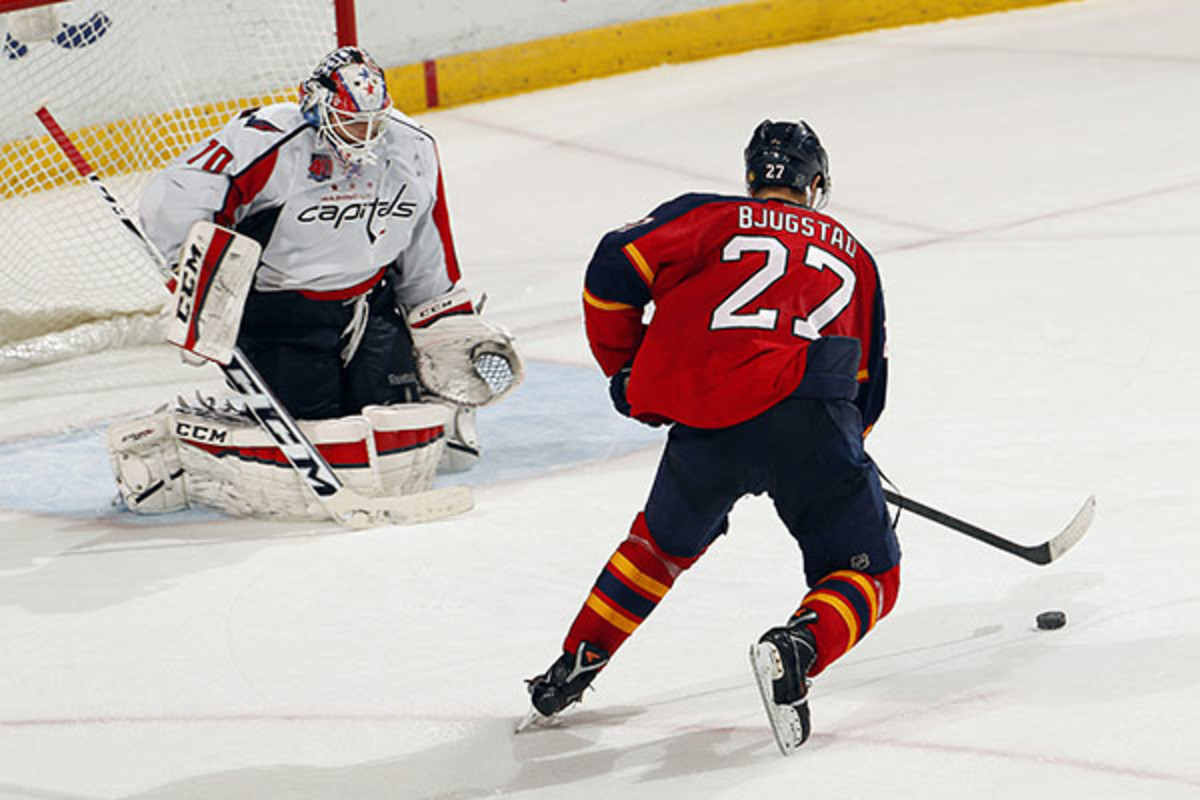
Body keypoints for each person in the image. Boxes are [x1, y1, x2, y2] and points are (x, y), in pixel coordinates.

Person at [519, 119, 900, 753]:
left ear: (753, 179)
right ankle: (798, 648)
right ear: (816, 184)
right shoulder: (855, 254)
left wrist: (628, 367)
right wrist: (846, 451)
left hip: (711, 423)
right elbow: (865, 384)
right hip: (812, 419)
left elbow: (613, 267)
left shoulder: (710, 218)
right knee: (868, 574)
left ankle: (573, 667)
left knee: (656, 549)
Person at [108, 46, 520, 520]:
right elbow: (175, 198)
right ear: (316, 104)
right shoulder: (264, 141)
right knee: (320, 448)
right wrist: (196, 282)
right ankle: (173, 449)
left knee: (396, 438)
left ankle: (435, 405)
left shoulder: (412, 145)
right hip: (281, 316)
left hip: (371, 305)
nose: (363, 137)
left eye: (372, 123)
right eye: (350, 122)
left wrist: (442, 323)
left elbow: (426, 238)